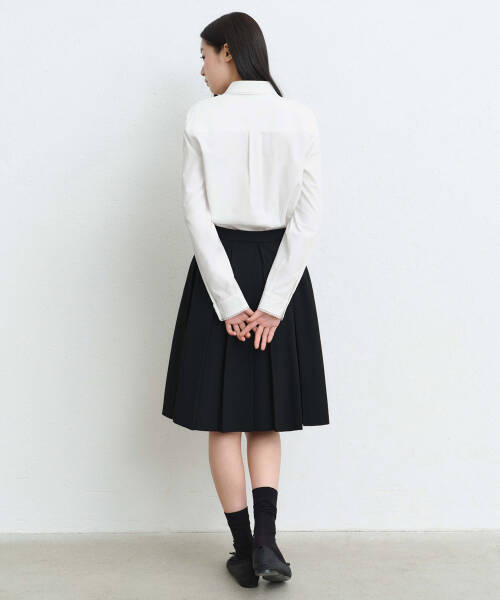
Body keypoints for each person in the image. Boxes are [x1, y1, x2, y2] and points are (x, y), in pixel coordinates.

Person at [162, 11, 330, 587]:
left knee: (224, 422)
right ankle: (266, 544)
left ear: (228, 52)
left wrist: (229, 300)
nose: (202, 70)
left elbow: (196, 214)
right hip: (281, 268)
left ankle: (243, 549)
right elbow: (308, 219)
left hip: (221, 269)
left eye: (205, 57)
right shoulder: (299, 117)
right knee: (266, 419)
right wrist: (275, 302)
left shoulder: (202, 118)